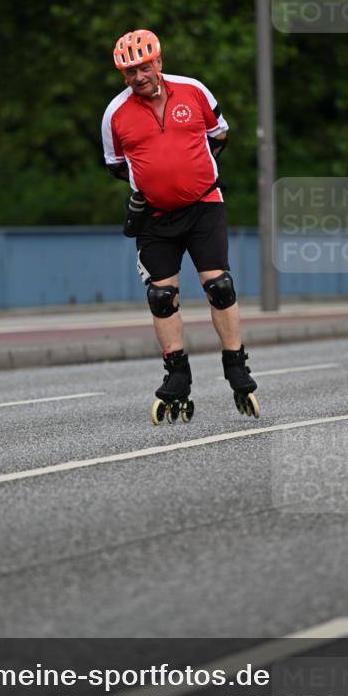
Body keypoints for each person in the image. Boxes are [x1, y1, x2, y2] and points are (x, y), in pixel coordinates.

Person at [101, 29, 259, 422]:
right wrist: (155, 182)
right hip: (155, 216)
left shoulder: (193, 90)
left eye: (144, 67)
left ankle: (235, 365)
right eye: (129, 71)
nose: (138, 76)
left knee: (219, 286)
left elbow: (219, 135)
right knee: (161, 296)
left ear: (158, 62)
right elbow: (115, 165)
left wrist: (189, 171)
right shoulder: (115, 114)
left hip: (204, 205)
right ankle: (177, 375)